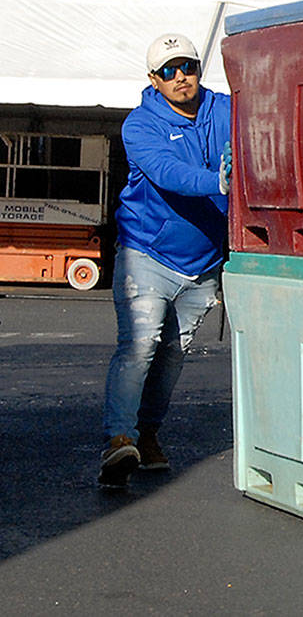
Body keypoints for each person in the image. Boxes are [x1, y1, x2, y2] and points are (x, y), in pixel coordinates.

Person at [98, 33, 232, 489]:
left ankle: (148, 435)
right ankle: (119, 439)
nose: (181, 77)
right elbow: (167, 174)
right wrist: (220, 180)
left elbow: (257, 141)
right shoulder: (139, 125)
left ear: (199, 69)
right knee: (139, 346)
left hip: (203, 262)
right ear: (154, 79)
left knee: (173, 355)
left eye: (188, 67)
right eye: (169, 70)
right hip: (145, 255)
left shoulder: (226, 110)